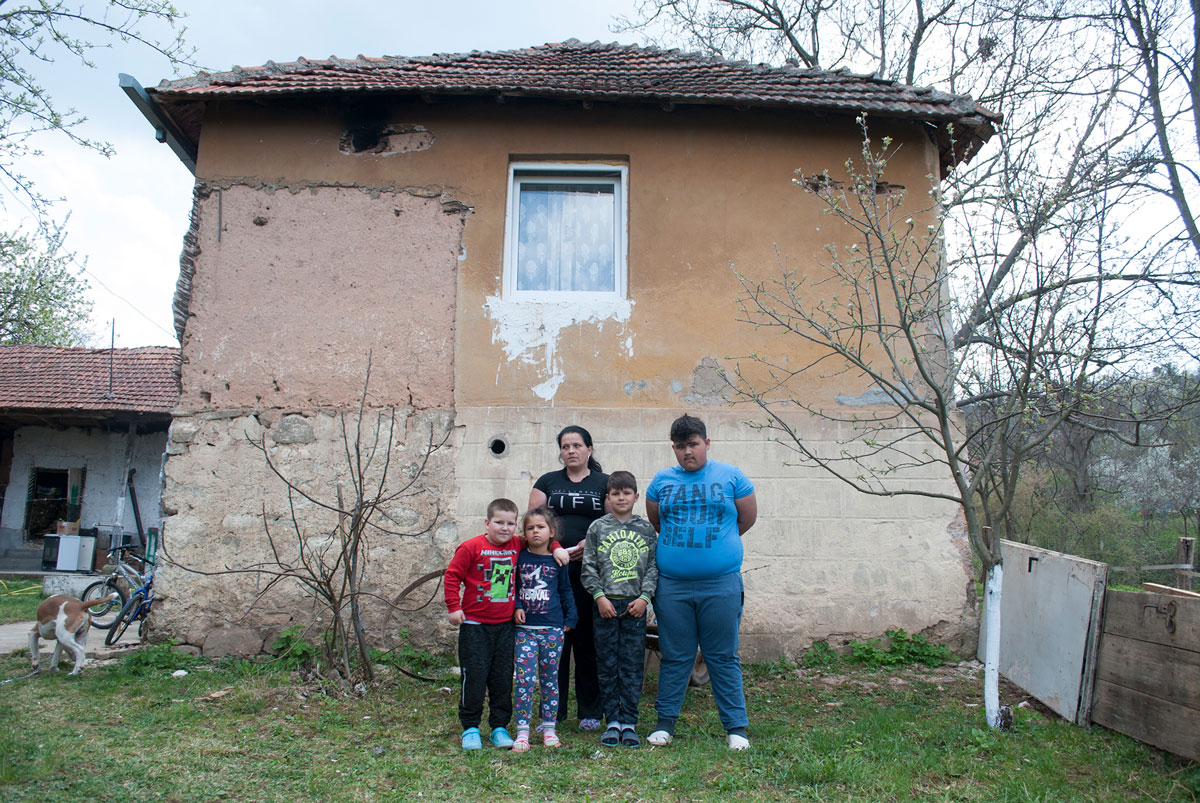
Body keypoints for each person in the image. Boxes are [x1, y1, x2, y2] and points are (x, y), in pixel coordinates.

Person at [644, 415, 758, 751]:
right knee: (676, 655)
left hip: (720, 584)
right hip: (673, 587)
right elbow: (657, 521)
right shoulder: (662, 481)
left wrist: (719, 545)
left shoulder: (732, 476)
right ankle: (665, 725)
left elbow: (746, 518)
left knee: (722, 655)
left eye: (693, 444)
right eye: (680, 446)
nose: (687, 452)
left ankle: (736, 728)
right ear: (674, 449)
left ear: (706, 443)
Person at [443, 498, 567, 751]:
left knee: (502, 680)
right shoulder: (471, 547)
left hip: (505, 626)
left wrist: (556, 547)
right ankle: (471, 727)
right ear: (487, 523)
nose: (505, 528)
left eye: (511, 523)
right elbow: (452, 576)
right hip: (475, 625)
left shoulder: (516, 544)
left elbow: (542, 538)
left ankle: (499, 727)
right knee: (475, 676)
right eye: (499, 522)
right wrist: (453, 607)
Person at [529, 425, 609, 730]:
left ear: (589, 449)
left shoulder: (604, 482)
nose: (571, 451)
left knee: (588, 644)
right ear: (560, 451)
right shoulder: (547, 482)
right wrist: (557, 546)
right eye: (565, 446)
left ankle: (590, 712)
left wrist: (590, 543)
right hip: (552, 574)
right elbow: (535, 523)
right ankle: (553, 713)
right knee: (555, 644)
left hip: (592, 575)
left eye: (577, 445)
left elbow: (616, 520)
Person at [581, 470, 658, 748]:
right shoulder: (598, 528)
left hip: (634, 606)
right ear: (608, 497)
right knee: (607, 662)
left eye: (627, 493)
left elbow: (652, 568)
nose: (621, 498)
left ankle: (629, 721)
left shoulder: (647, 529)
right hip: (605, 605)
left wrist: (645, 598)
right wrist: (599, 597)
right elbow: (588, 567)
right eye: (616, 493)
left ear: (636, 496)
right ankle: (612, 720)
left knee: (632, 663)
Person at [512, 507, 577, 752]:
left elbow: (565, 590)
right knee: (524, 680)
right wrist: (517, 606)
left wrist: (571, 617)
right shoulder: (519, 557)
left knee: (550, 680)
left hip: (552, 630)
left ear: (551, 532)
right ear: (524, 533)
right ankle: (522, 731)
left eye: (540, 527)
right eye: (530, 528)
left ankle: (549, 727)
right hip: (525, 630)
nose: (535, 531)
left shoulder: (558, 560)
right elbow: (514, 586)